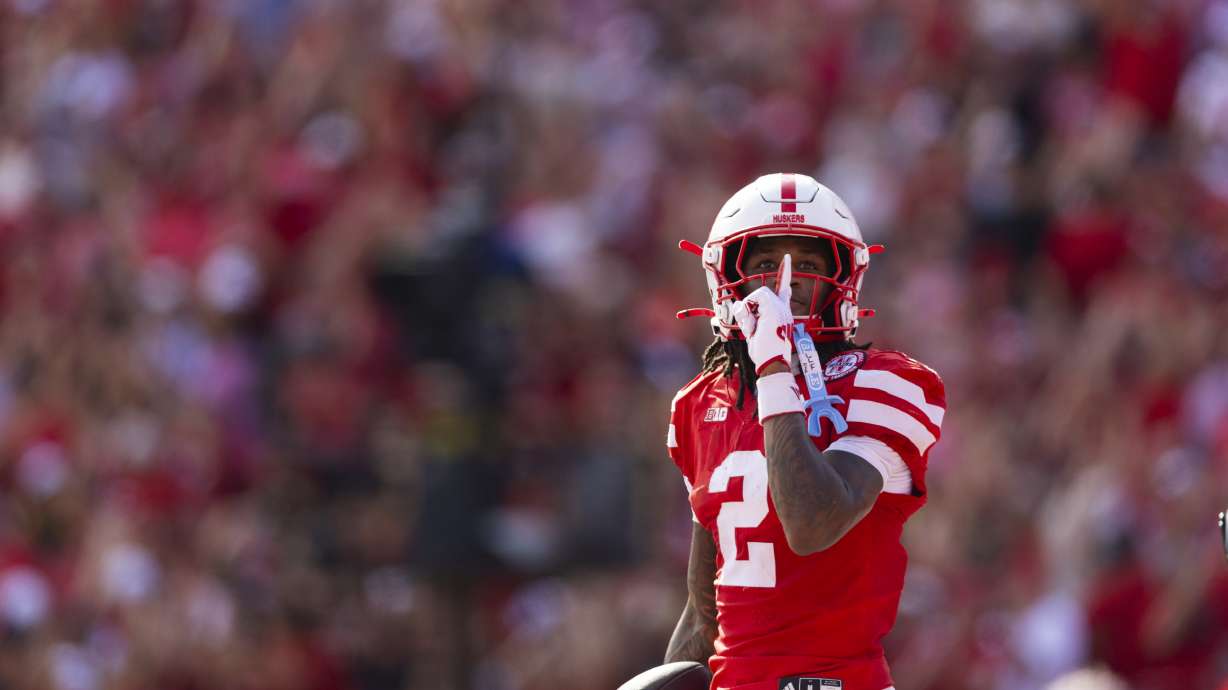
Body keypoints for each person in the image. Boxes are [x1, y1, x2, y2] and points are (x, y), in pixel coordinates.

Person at [663, 173, 946, 690]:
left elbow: (811, 523)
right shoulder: (701, 405)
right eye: (766, 264)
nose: (786, 281)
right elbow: (706, 613)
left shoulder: (886, 383)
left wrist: (775, 368)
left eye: (809, 265)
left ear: (842, 282)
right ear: (730, 278)